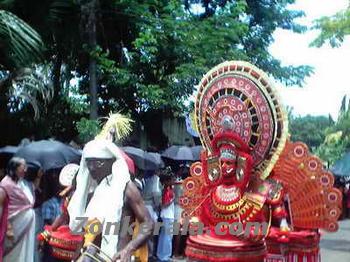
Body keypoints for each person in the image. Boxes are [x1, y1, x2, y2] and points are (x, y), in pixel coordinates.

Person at [68, 138, 154, 261]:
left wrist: (129, 249)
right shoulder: (93, 191)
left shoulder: (127, 188)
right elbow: (87, 233)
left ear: (112, 162)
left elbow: (149, 224)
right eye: (88, 162)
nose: (91, 168)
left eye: (97, 163)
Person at [0, 157, 36, 262]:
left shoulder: (22, 183)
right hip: (13, 229)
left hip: (26, 228)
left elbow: (28, 203)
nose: (25, 170)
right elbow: (4, 210)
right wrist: (9, 227)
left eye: (26, 167)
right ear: (14, 168)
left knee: (24, 254)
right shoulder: (5, 185)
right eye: (23, 167)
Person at [157, 169, 175, 262]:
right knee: (168, 236)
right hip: (168, 215)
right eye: (172, 179)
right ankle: (166, 256)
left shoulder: (166, 189)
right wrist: (172, 200)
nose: (173, 180)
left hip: (166, 215)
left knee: (164, 235)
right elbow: (164, 204)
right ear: (168, 181)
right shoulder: (167, 190)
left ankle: (161, 254)